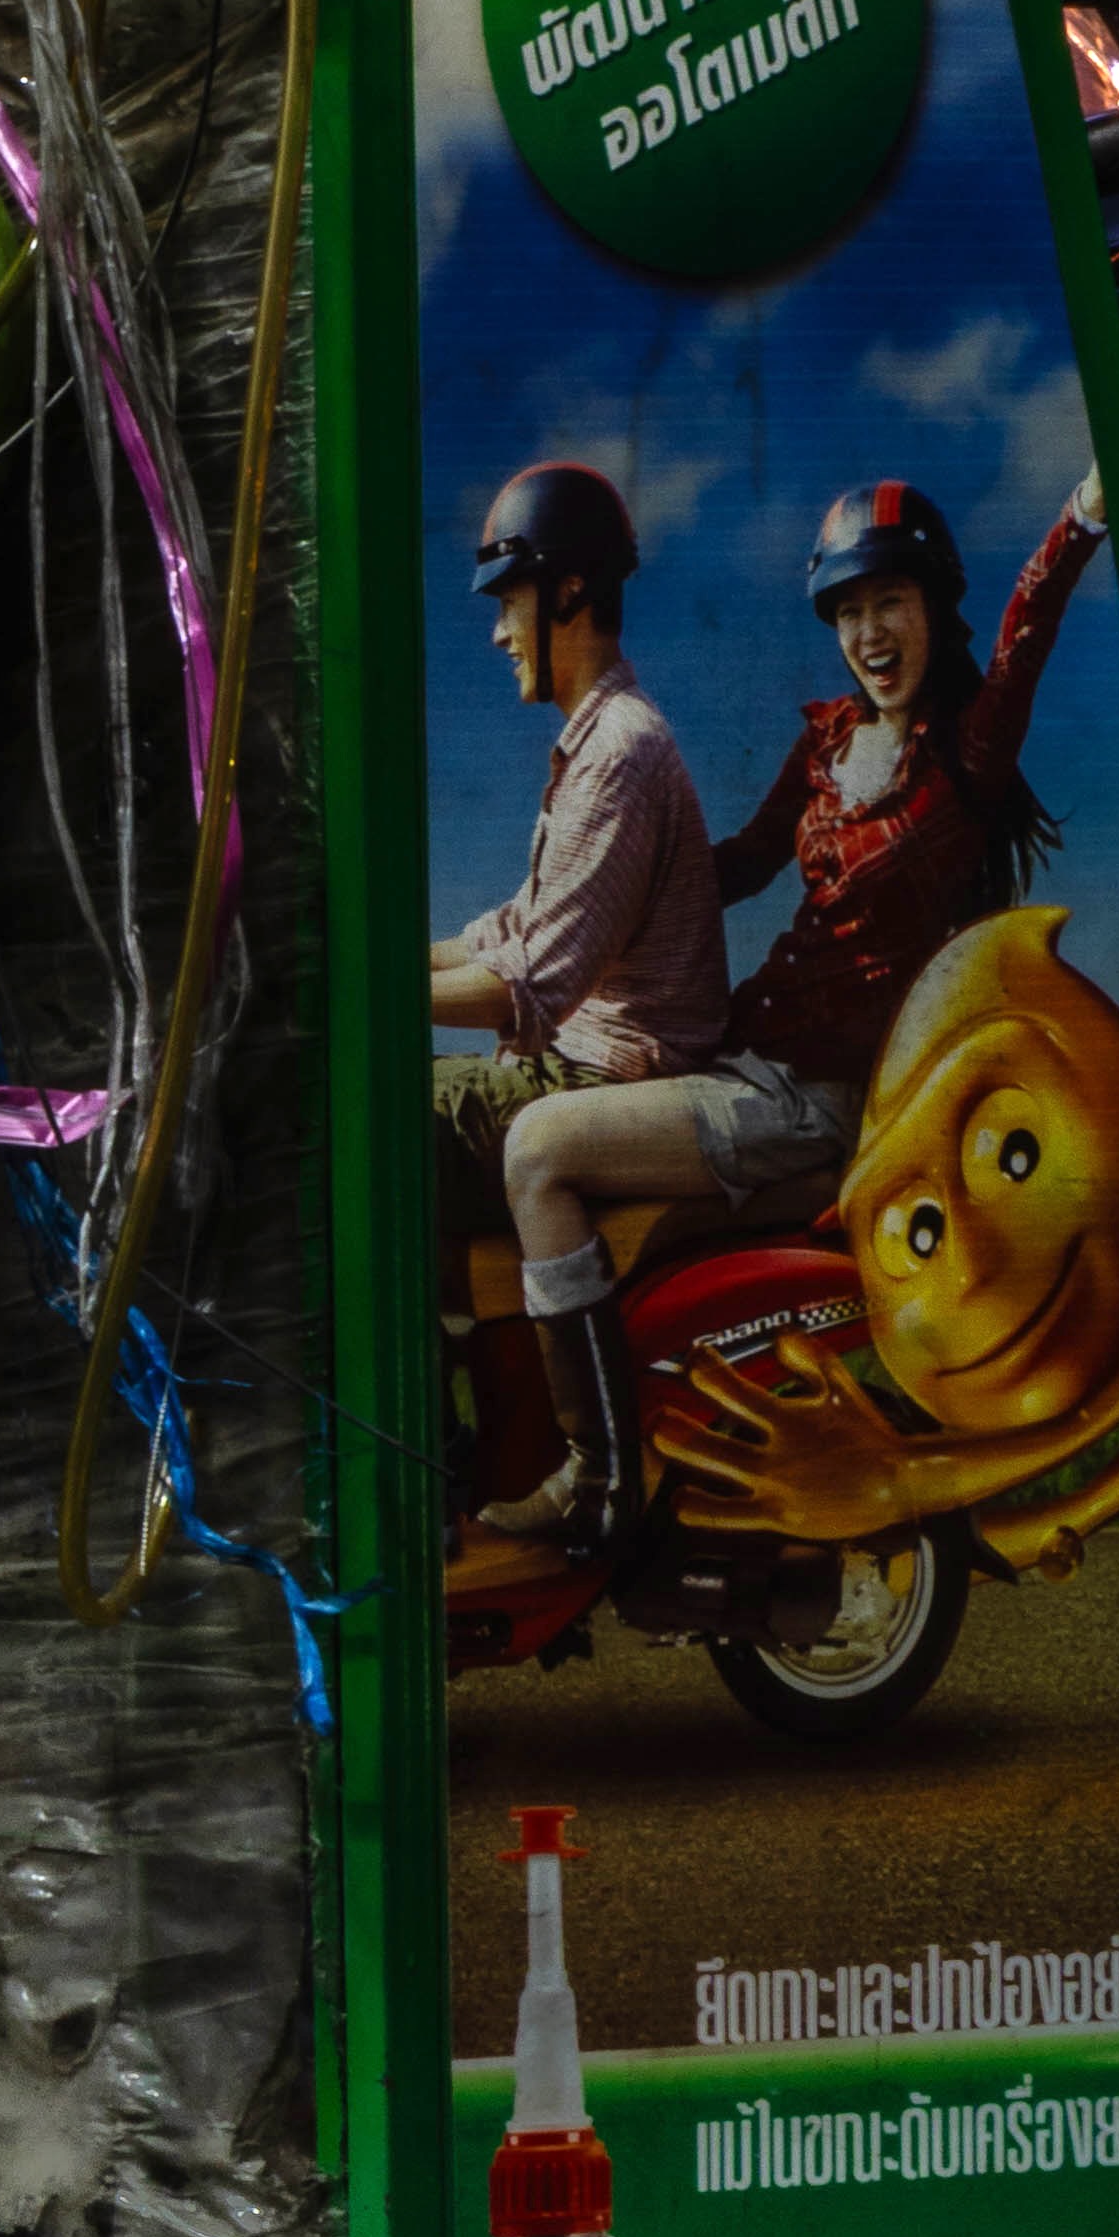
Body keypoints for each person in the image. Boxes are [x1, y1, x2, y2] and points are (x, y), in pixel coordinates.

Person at [420, 444, 829, 1570]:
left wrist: (368, 1014)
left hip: (607, 1074)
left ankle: (442, 1464)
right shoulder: (591, 749)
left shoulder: (622, 756)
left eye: (508, 603)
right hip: (586, 1056)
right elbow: (507, 930)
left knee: (374, 1129)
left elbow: (527, 989)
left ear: (567, 593)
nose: (498, 631)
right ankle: (465, 1446)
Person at [713, 469, 1099, 1101]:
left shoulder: (968, 750)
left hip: (846, 1080)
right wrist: (631, 882)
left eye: (890, 601)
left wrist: (1085, 511)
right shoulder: (824, 740)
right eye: (849, 612)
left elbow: (1029, 623)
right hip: (754, 1034)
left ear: (934, 609)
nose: (870, 634)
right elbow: (746, 862)